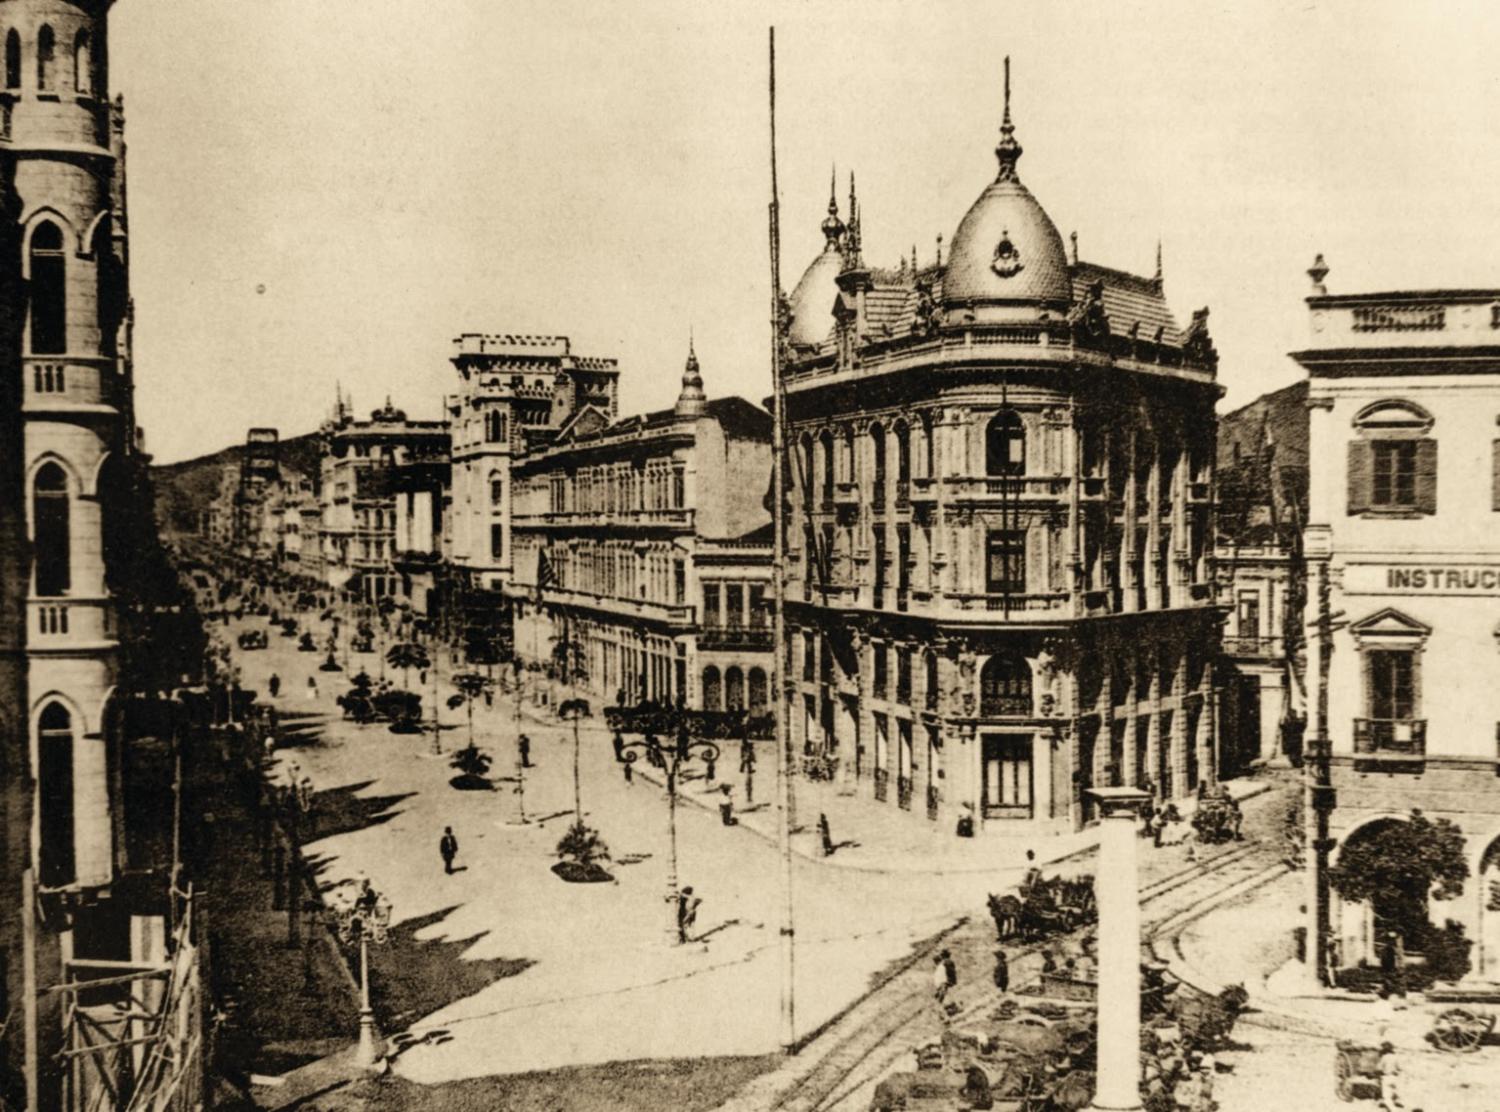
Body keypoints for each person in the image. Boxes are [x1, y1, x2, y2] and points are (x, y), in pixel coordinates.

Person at [1378, 1041, 1399, 1111]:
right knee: (1393, 1095)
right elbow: (1400, 1068)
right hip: (1395, 1078)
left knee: (1387, 1098)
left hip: (1387, 1077)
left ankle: (1394, 1110)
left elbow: (1379, 1068)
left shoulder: (1384, 1057)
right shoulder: (1396, 1057)